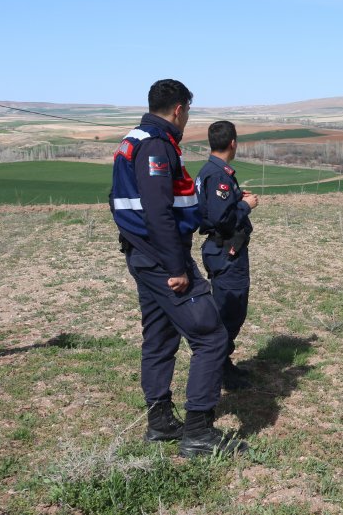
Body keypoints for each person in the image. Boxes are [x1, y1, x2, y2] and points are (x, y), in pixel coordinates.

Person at [109, 79, 247, 458]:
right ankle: (198, 432)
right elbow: (156, 210)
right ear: (179, 109)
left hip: (143, 254)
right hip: (162, 259)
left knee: (160, 336)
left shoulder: (132, 140)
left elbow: (115, 198)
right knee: (211, 336)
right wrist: (176, 266)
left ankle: (160, 423)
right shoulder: (155, 144)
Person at [195, 120, 258, 390]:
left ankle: (222, 363)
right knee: (231, 310)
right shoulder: (219, 174)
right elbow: (222, 219)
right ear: (233, 142)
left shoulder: (210, 170)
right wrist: (244, 205)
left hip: (222, 250)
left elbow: (215, 208)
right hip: (226, 252)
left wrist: (235, 199)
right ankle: (218, 368)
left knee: (229, 309)